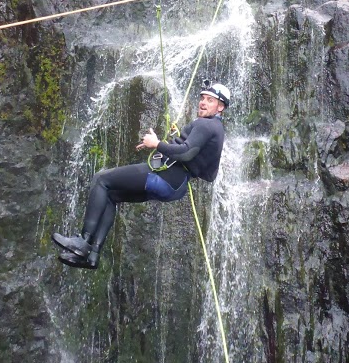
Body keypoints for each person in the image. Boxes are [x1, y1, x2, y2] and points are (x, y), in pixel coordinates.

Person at [53, 80, 230, 270]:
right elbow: (207, 171)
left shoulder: (206, 125)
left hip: (164, 177)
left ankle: (83, 241)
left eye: (210, 100)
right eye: (202, 98)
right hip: (176, 187)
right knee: (111, 195)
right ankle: (92, 255)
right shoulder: (217, 129)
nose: (203, 102)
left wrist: (157, 144)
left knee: (101, 179)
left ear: (220, 107)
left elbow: (186, 152)